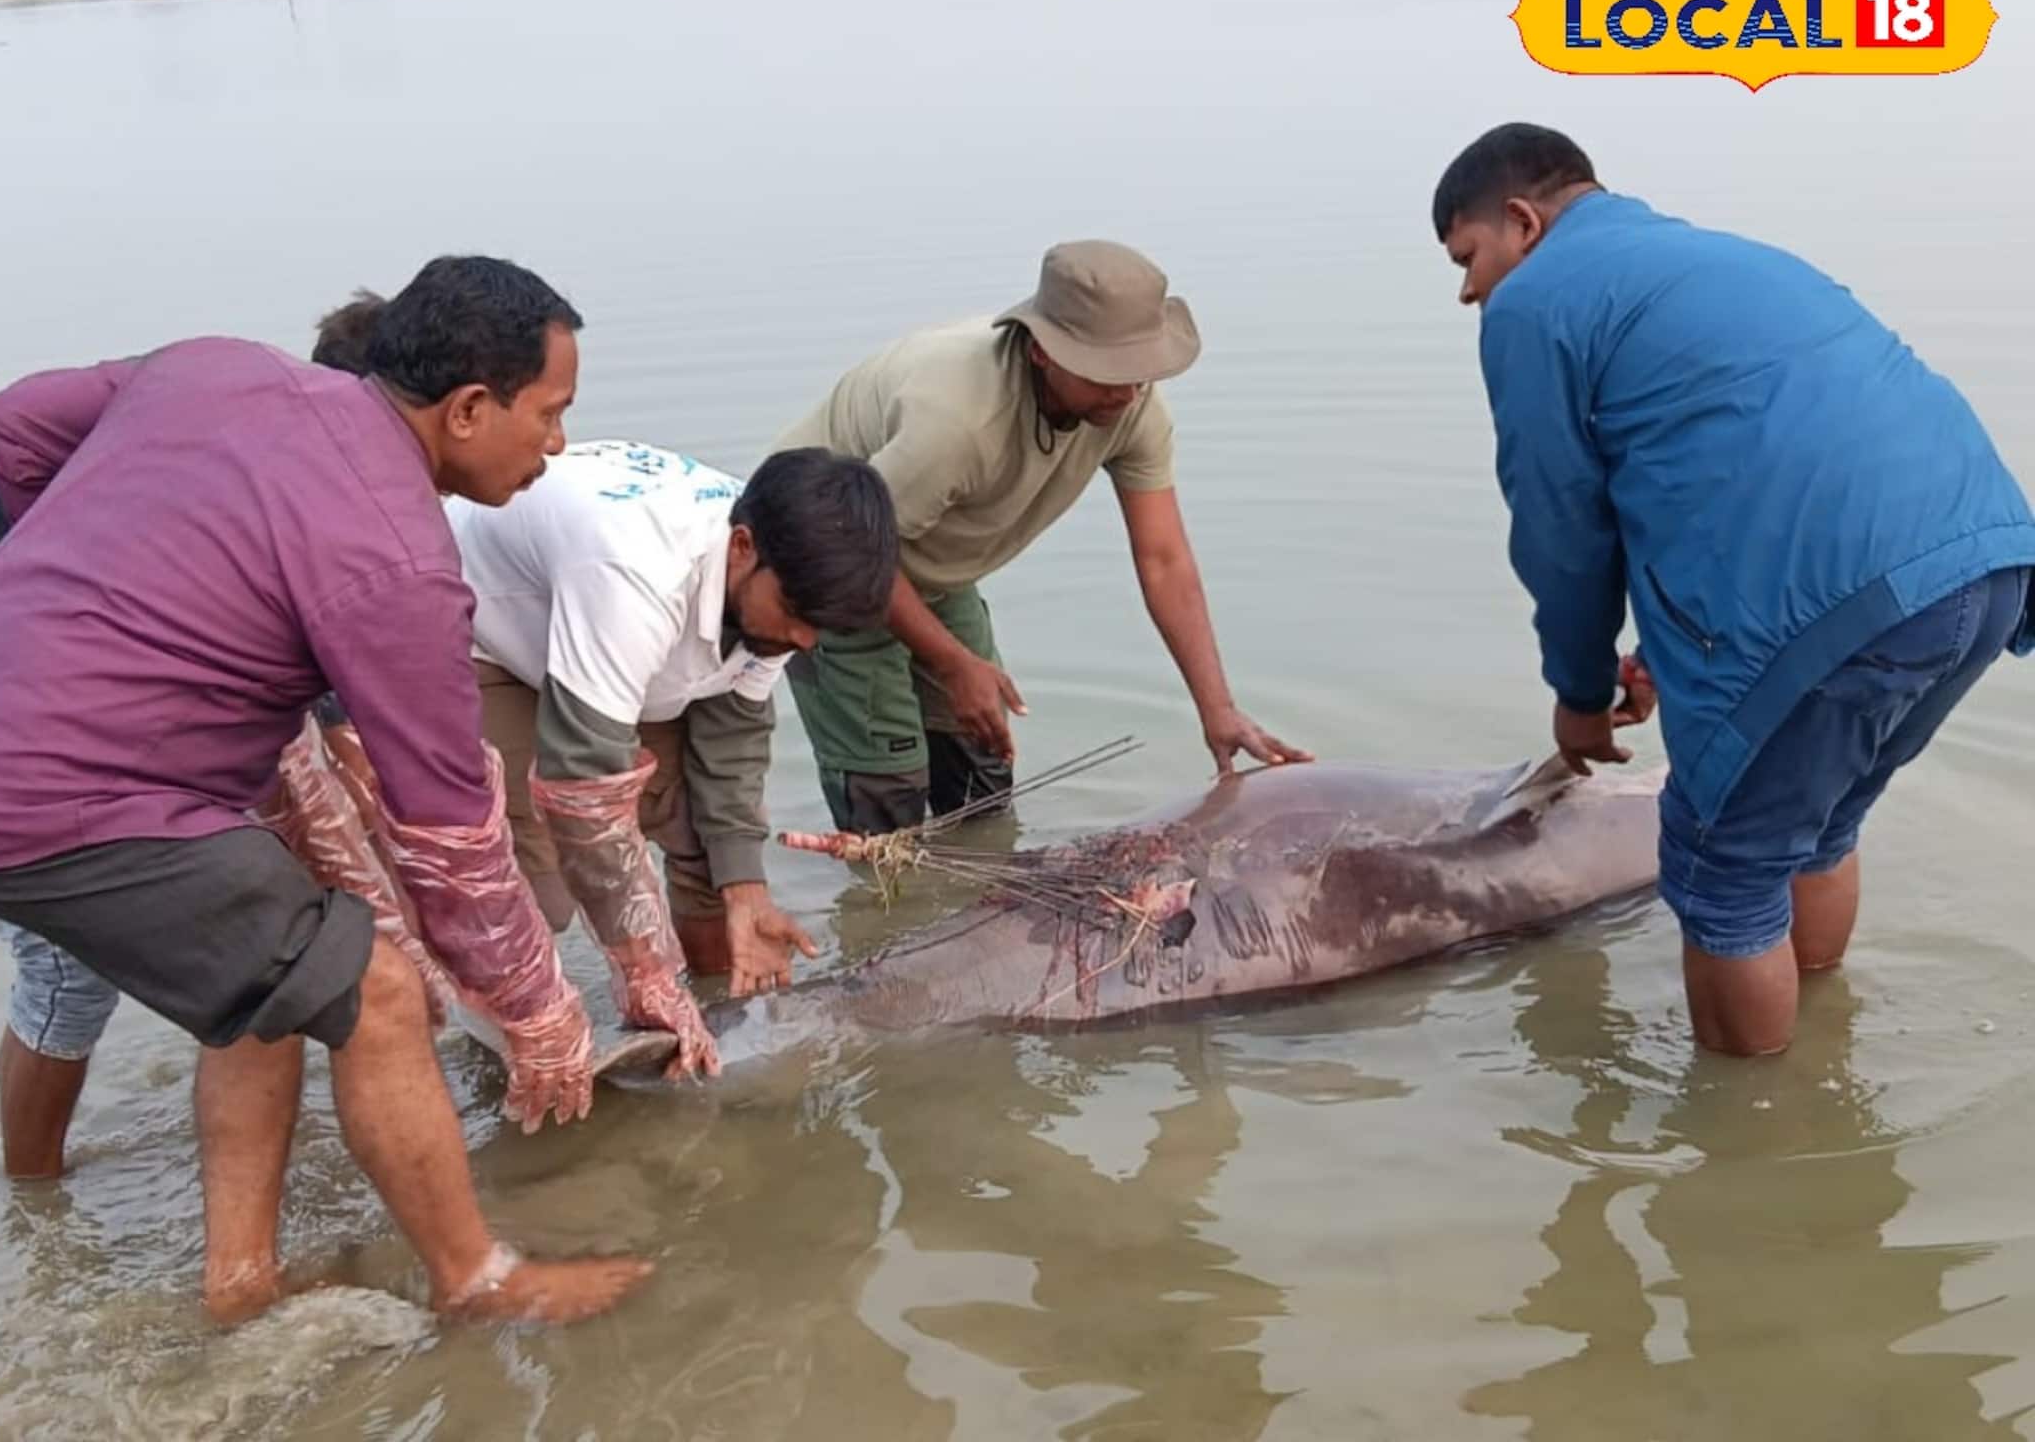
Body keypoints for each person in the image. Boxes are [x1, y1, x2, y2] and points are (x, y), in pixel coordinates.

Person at [0, 255, 701, 1326]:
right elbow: (454, 848)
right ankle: (477, 1282)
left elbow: (7, 440)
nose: (557, 445)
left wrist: (73, 581)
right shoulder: (399, 564)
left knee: (272, 978)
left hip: (54, 752)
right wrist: (542, 1014)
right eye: (550, 413)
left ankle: (240, 1283)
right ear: (467, 409)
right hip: (66, 795)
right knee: (374, 994)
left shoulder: (209, 369)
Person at [1432, 121, 2035, 1057]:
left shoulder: (1535, 302)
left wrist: (1580, 694)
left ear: (1521, 221)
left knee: (1724, 876)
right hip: (1985, 562)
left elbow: (1559, 524)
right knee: (1820, 828)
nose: (1469, 290)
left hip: (1842, 600)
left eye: (1468, 257)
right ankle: (1821, 1041)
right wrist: (1654, 657)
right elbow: (1740, 476)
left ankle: (1752, 1143)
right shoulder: (1715, 257)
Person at [0, 289, 392, 1183]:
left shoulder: (273, 444)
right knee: (67, 970)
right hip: (20, 683)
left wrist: (342, 729)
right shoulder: (244, 444)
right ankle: (33, 1193)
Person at [769, 239, 1310, 835]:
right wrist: (952, 662)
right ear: (1042, 353)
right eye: (1107, 371)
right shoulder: (955, 420)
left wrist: (1218, 709)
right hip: (821, 564)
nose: (1127, 392)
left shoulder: (1133, 408)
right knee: (887, 804)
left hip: (930, 560)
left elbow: (1164, 559)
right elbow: (855, 552)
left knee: (982, 776)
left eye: (1139, 371)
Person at [445, 438, 899, 997]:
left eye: (819, 628)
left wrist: (746, 889)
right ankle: (515, 1056)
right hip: (486, 635)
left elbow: (733, 735)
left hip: (619, 648)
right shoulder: (637, 573)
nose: (804, 642)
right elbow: (584, 783)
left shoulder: (788, 575)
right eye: (798, 617)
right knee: (529, 893)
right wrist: (644, 967)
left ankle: (720, 1012)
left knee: (712, 851)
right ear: (741, 547)